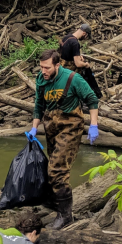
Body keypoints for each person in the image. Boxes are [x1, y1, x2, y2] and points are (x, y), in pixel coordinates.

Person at [30, 50, 100, 229]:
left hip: (70, 126)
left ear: (57, 65)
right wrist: (34, 127)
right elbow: (39, 104)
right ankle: (56, 204)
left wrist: (93, 125)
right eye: (41, 67)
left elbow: (92, 100)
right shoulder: (41, 79)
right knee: (51, 166)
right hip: (51, 126)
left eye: (47, 68)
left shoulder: (73, 78)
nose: (43, 71)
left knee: (57, 169)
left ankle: (65, 216)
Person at [57, 22, 101, 98]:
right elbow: (78, 64)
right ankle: (93, 94)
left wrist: (78, 56)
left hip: (61, 67)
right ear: (84, 33)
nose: (85, 38)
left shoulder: (66, 37)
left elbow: (65, 52)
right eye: (86, 36)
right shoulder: (75, 43)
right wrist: (86, 64)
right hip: (69, 70)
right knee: (87, 72)